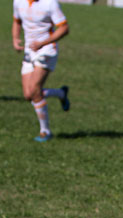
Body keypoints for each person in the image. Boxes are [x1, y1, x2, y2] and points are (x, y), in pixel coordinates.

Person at [12, 0, 70, 142]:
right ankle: (61, 93)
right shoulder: (18, 2)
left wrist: (43, 43)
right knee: (28, 95)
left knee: (34, 89)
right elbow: (16, 21)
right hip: (29, 50)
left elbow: (64, 28)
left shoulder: (50, 4)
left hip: (46, 50)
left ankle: (45, 131)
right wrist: (15, 39)